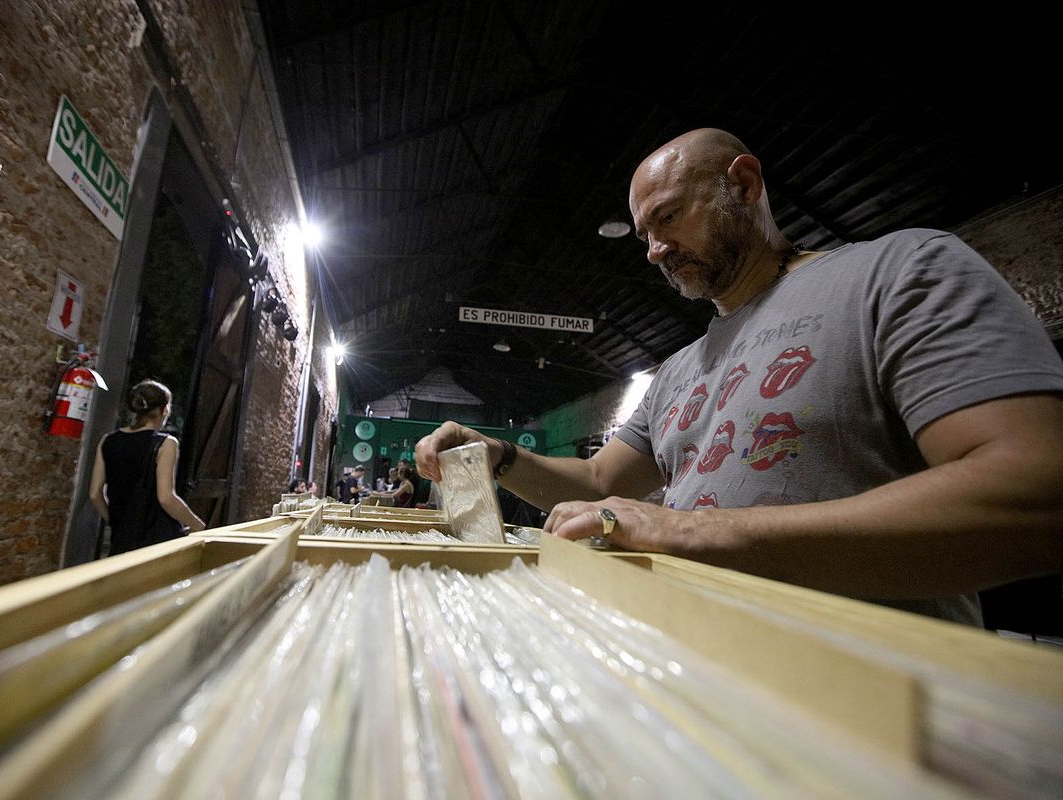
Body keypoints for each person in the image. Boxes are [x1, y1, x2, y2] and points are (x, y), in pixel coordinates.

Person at [416, 128, 1063, 625]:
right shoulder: (678, 369)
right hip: (696, 665)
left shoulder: (898, 272)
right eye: (644, 235)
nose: (655, 251)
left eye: (669, 216)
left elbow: (1035, 490)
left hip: (869, 699)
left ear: (745, 185)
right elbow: (599, 482)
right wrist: (497, 455)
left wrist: (690, 530)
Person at [89, 380, 205, 555]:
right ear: (164, 410)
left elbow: (94, 494)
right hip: (159, 539)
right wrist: (197, 525)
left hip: (122, 539)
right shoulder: (166, 443)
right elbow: (166, 498)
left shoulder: (108, 441)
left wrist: (117, 522)